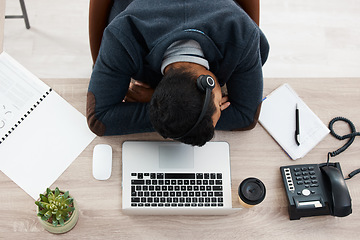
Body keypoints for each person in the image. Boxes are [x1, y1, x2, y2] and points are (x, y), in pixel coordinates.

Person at [87, 0, 269, 146]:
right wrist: (166, 109)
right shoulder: (124, 34)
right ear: (209, 82)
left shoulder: (242, 34)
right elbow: (98, 120)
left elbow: (246, 117)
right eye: (218, 112)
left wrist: (164, 106)